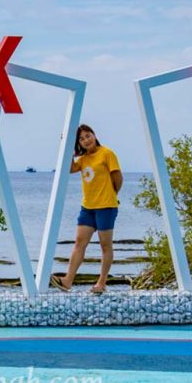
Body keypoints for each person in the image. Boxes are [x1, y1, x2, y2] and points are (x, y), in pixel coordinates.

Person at [54, 123, 122, 294]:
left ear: (94, 135)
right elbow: (69, 169)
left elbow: (118, 178)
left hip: (106, 206)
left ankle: (102, 283)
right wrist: (67, 146)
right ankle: (68, 280)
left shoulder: (107, 153)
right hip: (87, 208)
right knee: (79, 243)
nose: (86, 140)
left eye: (88, 135)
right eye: (81, 139)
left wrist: (111, 195)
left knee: (105, 246)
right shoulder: (83, 159)